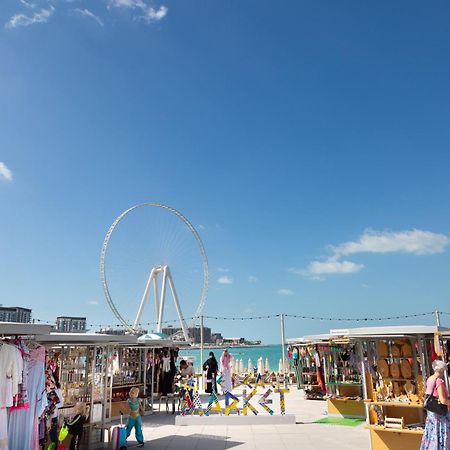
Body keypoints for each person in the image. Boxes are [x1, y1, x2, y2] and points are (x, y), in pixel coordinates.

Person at [420, 360, 450, 450]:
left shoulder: (430, 379)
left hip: (432, 412)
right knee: (441, 433)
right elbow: (443, 400)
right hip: (439, 413)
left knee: (432, 433)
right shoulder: (439, 381)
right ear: (442, 370)